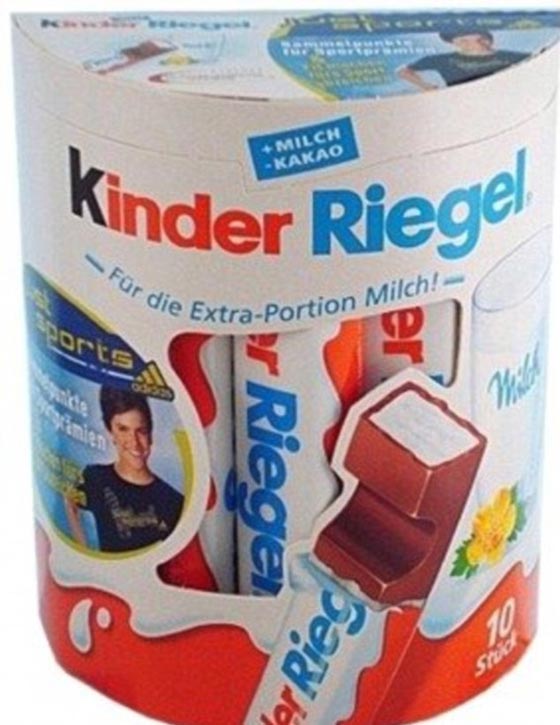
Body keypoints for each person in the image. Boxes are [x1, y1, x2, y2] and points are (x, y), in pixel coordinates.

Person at [66, 386, 183, 553]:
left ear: (150, 434)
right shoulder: (95, 477)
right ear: (110, 432)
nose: (134, 442)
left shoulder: (174, 501)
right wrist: (84, 551)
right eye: (123, 429)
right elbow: (69, 501)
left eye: (141, 431)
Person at [398, 30, 530, 91]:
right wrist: (426, 86)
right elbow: (403, 71)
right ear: (454, 43)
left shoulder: (513, 56)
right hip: (460, 104)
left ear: (488, 40)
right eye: (463, 41)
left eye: (480, 40)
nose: (474, 44)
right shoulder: (442, 60)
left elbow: (536, 66)